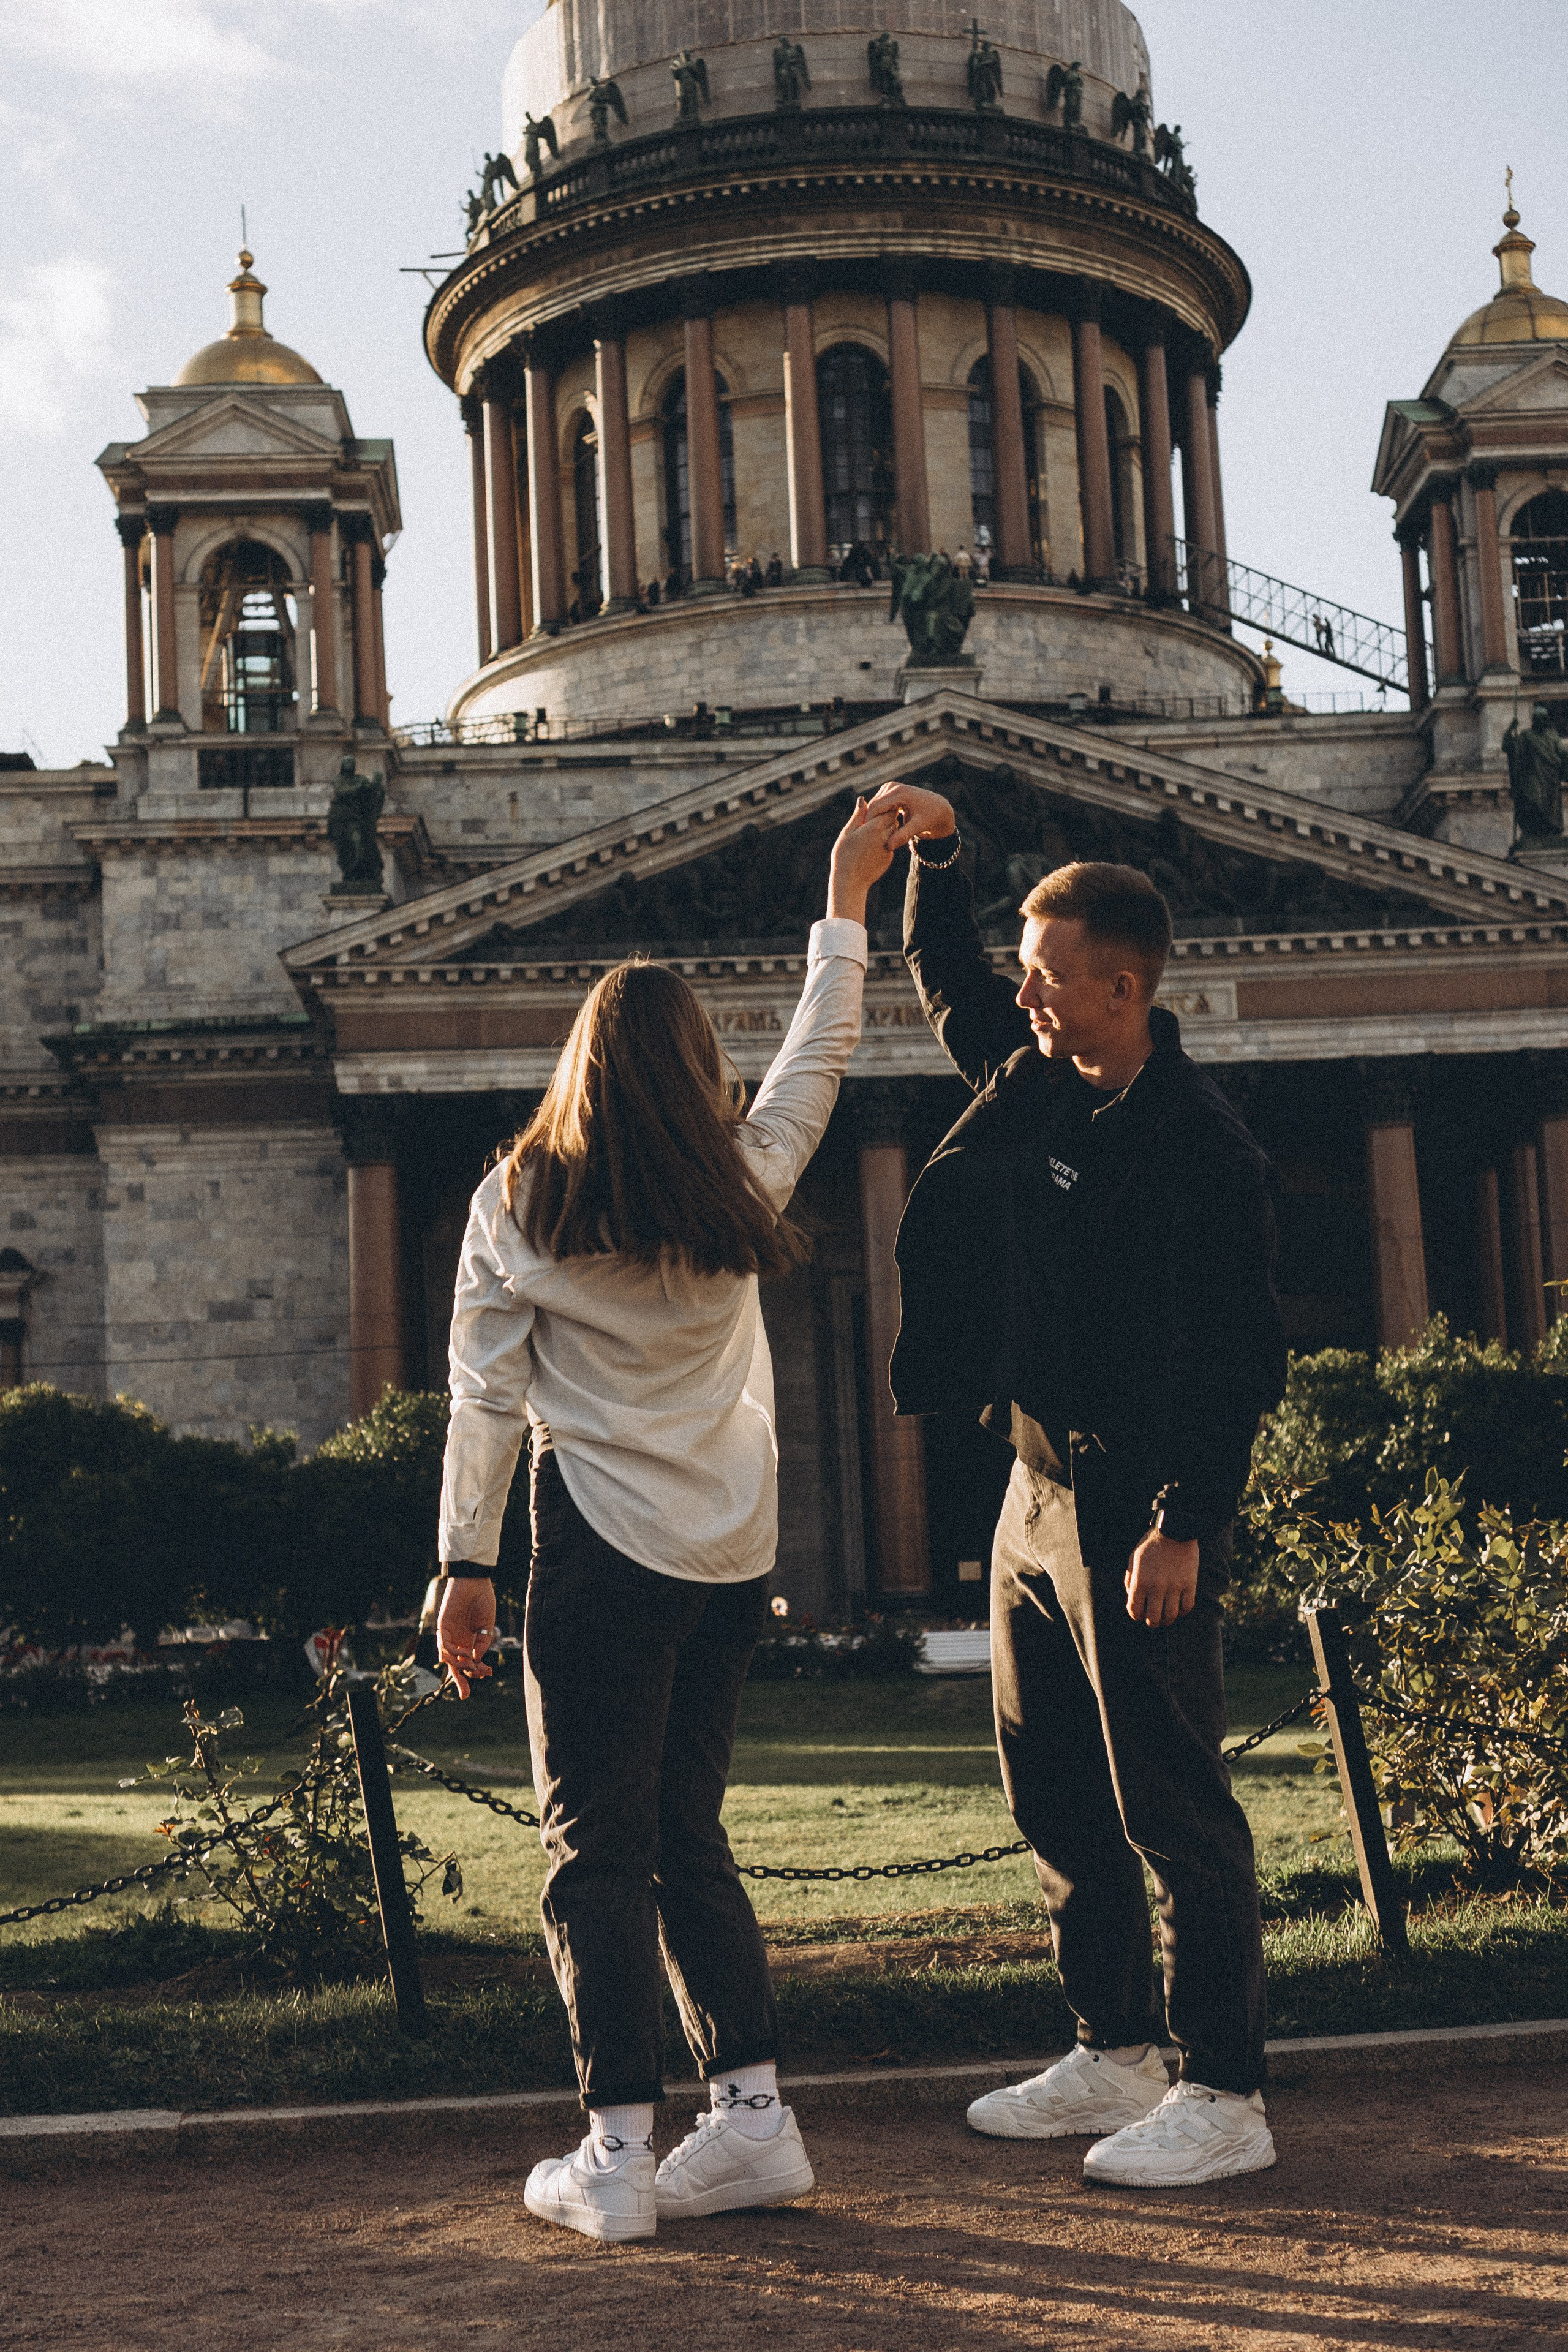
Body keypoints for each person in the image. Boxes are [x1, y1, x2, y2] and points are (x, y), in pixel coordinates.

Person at [435, 797, 902, 2244]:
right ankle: (753, 2121)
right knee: (687, 1832)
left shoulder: (516, 1200)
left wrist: (461, 1565)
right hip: (730, 1558)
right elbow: (820, 1048)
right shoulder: (745, 1183)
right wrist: (841, 896)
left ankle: (619, 2151)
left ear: (579, 1068)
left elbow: (484, 1401)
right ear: (702, 1068)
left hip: (599, 1555)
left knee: (592, 1848)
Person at [862, 780, 1288, 2190]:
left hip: (1134, 1512)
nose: (1023, 996)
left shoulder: (1202, 1149)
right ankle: (1113, 2048)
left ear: (1120, 987)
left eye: (1045, 978)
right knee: (1052, 1791)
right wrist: (936, 857)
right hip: (1031, 1496)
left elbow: (1237, 1359)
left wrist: (1183, 1524)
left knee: (1173, 1805)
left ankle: (1223, 2089)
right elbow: (946, 986)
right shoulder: (1039, 1071)